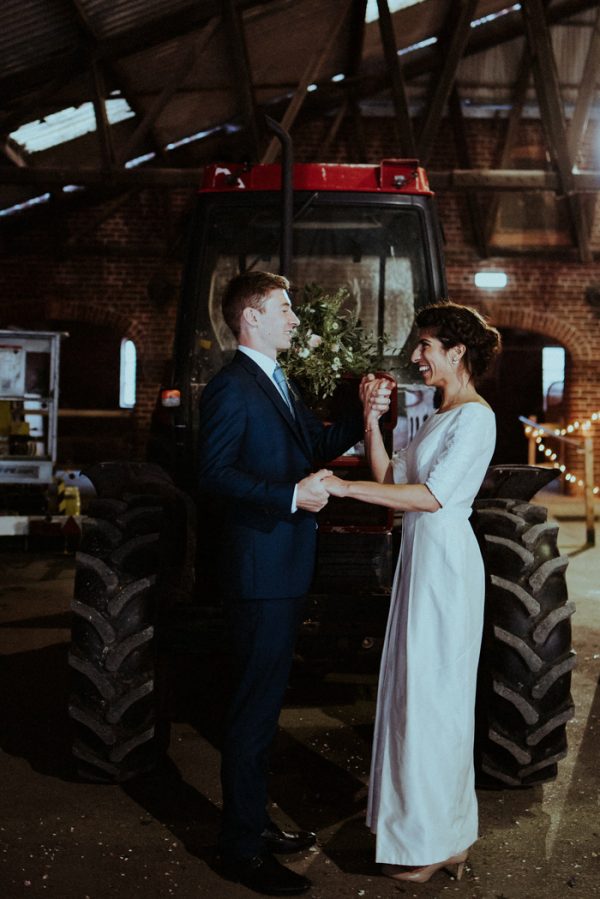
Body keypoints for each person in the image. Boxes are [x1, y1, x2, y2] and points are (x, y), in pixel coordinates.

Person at [197, 270, 387, 896]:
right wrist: (288, 495)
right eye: (284, 308)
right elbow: (214, 474)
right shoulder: (231, 387)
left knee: (266, 705)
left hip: (282, 568)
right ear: (250, 317)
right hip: (259, 572)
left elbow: (315, 442)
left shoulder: (274, 382)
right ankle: (240, 850)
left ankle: (252, 822)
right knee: (253, 714)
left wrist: (364, 417)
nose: (296, 319)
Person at [324, 301, 501, 884]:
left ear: (457, 353)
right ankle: (441, 836)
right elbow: (391, 481)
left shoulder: (476, 418)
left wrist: (343, 489)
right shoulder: (439, 416)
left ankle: (434, 842)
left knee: (435, 701)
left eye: (425, 346)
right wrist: (371, 421)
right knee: (413, 693)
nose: (416, 356)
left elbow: (431, 497)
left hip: (446, 565)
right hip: (420, 561)